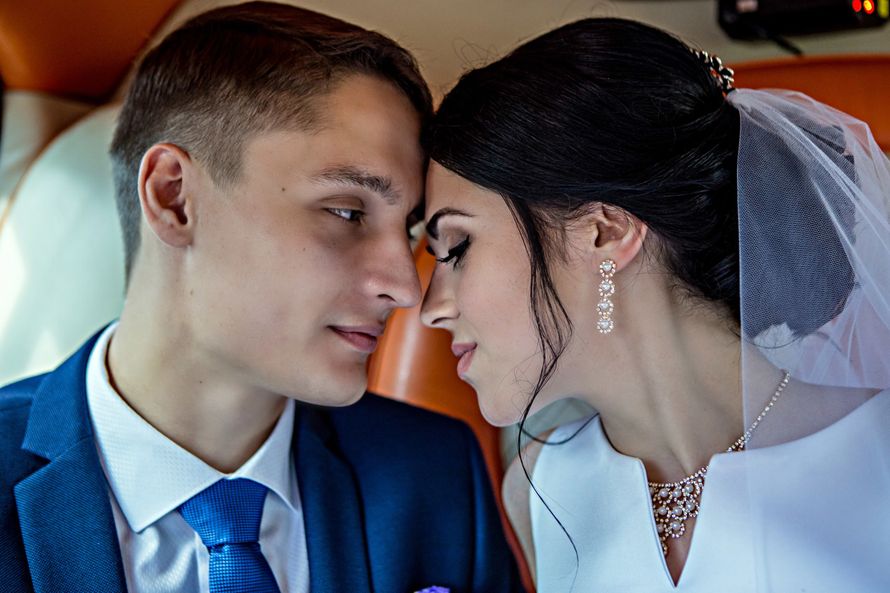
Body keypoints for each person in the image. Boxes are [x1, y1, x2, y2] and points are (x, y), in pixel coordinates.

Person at [0, 3, 521, 592]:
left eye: (408, 230)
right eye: (346, 212)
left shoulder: (433, 475)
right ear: (174, 198)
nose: (404, 288)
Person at [420, 17, 890, 593]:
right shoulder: (539, 488)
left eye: (457, 248)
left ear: (604, 232)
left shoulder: (880, 452)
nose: (429, 309)